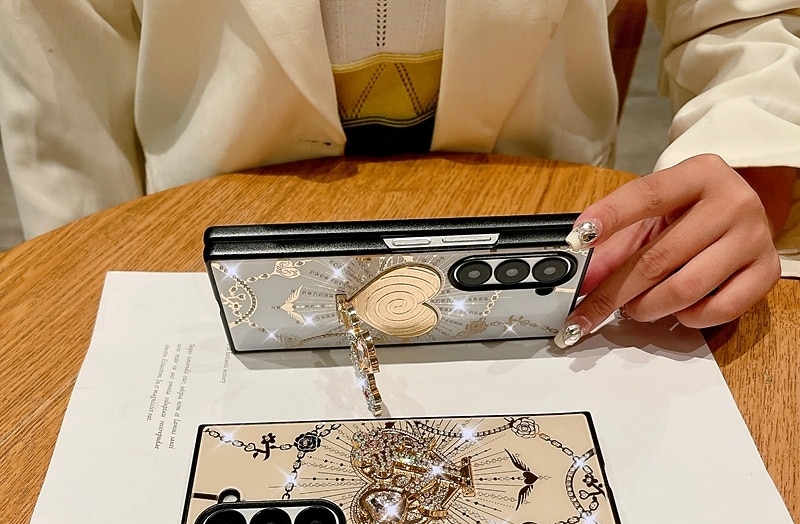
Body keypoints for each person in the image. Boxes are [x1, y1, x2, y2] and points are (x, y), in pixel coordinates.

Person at [0, 1, 798, 347]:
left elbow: (747, 20)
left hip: (556, 243)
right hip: (200, 255)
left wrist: (744, 156)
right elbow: (61, 86)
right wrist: (95, 305)